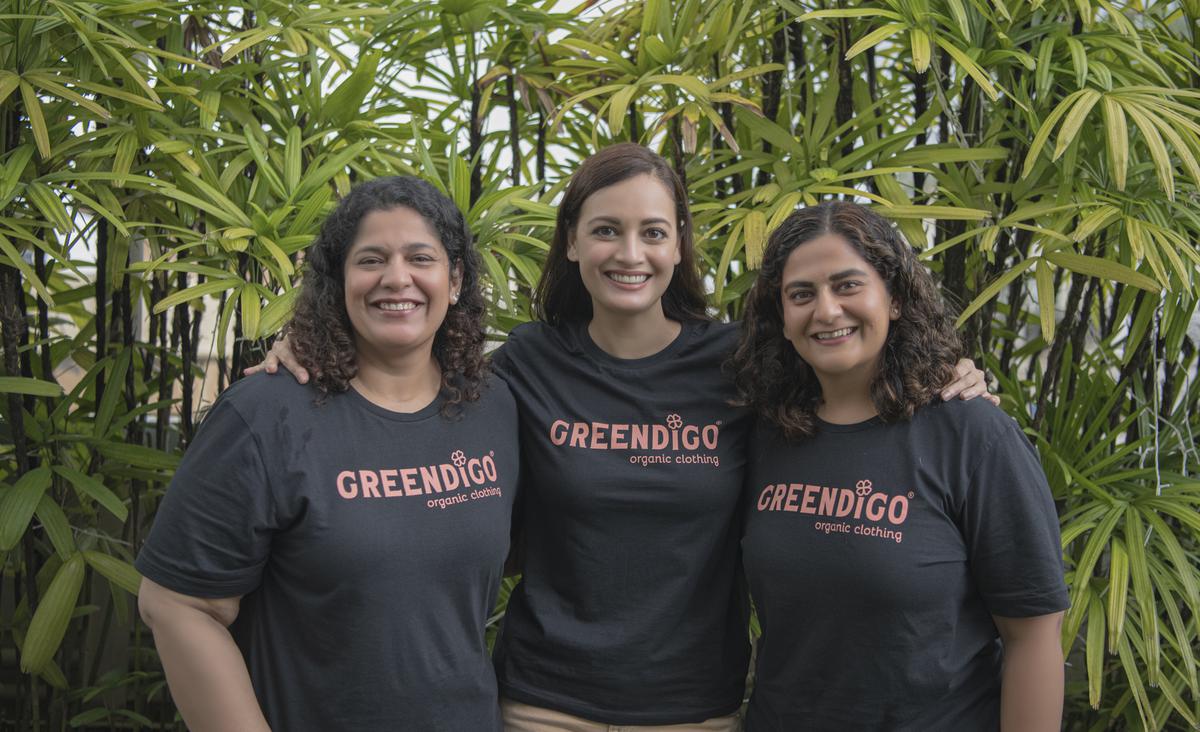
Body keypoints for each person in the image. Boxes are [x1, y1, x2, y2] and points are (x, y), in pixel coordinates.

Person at [252, 144, 994, 730]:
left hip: (694, 708)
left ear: (678, 249)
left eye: (652, 233)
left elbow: (848, 389)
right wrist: (309, 342)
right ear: (572, 243)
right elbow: (406, 388)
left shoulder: (742, 366)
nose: (629, 254)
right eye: (605, 230)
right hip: (541, 704)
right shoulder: (526, 366)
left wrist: (944, 372)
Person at [136, 176, 519, 732]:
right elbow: (176, 605)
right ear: (339, 279)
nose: (396, 278)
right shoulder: (267, 415)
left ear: (454, 279)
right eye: (370, 260)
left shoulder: (493, 407)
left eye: (420, 258)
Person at [729, 201, 1067, 731]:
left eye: (847, 285)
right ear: (782, 317)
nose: (826, 311)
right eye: (801, 294)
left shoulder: (972, 435)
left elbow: (1034, 636)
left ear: (896, 300)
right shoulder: (764, 431)